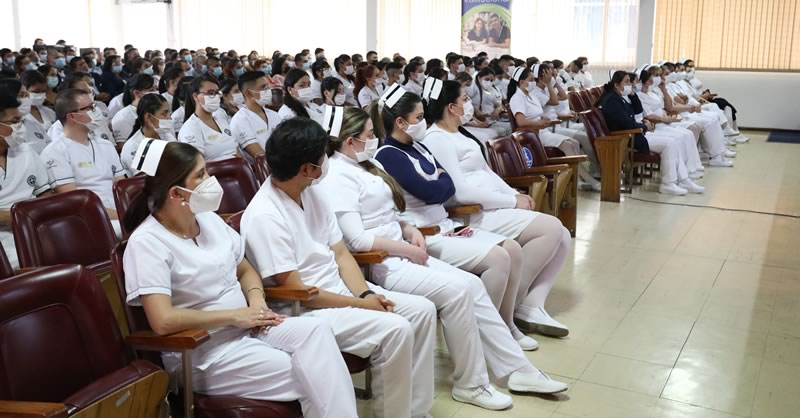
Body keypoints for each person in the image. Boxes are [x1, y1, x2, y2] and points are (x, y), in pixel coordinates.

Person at [324, 104, 569, 407]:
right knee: (459, 290)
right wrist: (407, 246)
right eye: (370, 134)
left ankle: (516, 370)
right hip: (382, 263)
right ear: (350, 141)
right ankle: (472, 383)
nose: (375, 138)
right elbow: (359, 239)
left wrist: (406, 228)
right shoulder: (337, 176)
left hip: (403, 248)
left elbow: (386, 213)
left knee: (473, 285)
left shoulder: (366, 163)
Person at [121, 139, 358, 418]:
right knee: (313, 374)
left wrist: (256, 302)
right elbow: (163, 320)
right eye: (201, 175)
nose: (210, 180)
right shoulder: (147, 243)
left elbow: (245, 270)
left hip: (248, 327)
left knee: (318, 332)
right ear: (176, 193)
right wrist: (234, 316)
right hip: (204, 352)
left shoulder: (208, 219)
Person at [241, 117, 438, 418]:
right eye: (322, 157)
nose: (327, 162)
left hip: (343, 294)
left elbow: (341, 253)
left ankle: (416, 410)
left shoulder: (313, 191)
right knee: (396, 329)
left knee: (422, 310)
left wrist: (364, 294)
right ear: (307, 169)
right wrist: (361, 304)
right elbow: (298, 291)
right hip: (305, 309)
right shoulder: (264, 215)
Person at [371, 86, 538, 351]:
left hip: (445, 224)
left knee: (513, 250)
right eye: (418, 117)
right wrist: (440, 182)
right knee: (498, 259)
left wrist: (440, 183)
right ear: (400, 123)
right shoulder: (388, 154)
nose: (424, 122)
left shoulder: (419, 147)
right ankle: (485, 337)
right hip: (424, 233)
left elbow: (447, 186)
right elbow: (433, 191)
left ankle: (506, 326)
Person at [420, 78, 574, 338]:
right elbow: (459, 193)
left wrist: (513, 193)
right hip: (473, 214)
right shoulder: (437, 138)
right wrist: (511, 202)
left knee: (562, 238)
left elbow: (487, 172)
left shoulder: (460, 133)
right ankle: (512, 305)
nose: (469, 103)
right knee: (551, 228)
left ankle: (532, 304)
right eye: (464, 99)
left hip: (493, 206)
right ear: (451, 107)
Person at [599, 71, 699, 195]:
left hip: (635, 133)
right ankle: (668, 184)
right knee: (669, 144)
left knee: (673, 141)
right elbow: (625, 124)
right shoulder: (612, 100)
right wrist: (644, 126)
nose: (630, 84)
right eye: (627, 82)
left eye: (630, 81)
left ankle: (683, 180)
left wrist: (632, 94)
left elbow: (638, 110)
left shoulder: (619, 97)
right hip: (628, 137)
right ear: (616, 84)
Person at [42, 89, 124, 231]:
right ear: (72, 116)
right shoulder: (54, 152)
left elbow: (121, 187)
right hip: (89, 219)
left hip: (120, 213)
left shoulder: (106, 145)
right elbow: (74, 201)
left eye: (94, 105)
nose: (96, 111)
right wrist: (123, 216)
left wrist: (129, 211)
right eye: (90, 108)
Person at [0, 95, 52, 269]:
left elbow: (45, 194)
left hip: (36, 224)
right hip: (4, 235)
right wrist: (23, 218)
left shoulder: (26, 150)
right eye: (15, 122)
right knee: (22, 262)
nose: (20, 127)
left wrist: (36, 218)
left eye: (21, 121)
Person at [178, 75, 241, 162]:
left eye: (217, 93)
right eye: (210, 93)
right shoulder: (190, 128)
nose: (215, 96)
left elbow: (235, 149)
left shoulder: (220, 117)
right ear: (196, 96)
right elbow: (195, 163)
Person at [230, 71, 282, 159]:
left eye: (268, 86)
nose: (268, 90)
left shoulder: (274, 115)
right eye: (263, 87)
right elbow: (259, 155)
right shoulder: (240, 120)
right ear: (248, 93)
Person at [121, 94, 175, 177]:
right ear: (148, 117)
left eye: (169, 113)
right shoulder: (133, 147)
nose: (169, 118)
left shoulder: (167, 135)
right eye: (164, 114)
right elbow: (144, 179)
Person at [0, 78, 51, 154]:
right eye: (21, 95)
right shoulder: (6, 127)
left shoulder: (34, 125)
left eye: (26, 95)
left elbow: (50, 148)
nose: (25, 99)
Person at [112, 74, 158, 145]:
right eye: (151, 90)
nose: (157, 93)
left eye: (156, 89)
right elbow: (123, 146)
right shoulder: (123, 117)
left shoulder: (155, 110)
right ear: (137, 93)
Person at [21, 70, 56, 134]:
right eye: (36, 91)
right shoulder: (18, 116)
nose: (41, 94)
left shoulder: (49, 112)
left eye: (43, 91)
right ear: (24, 90)